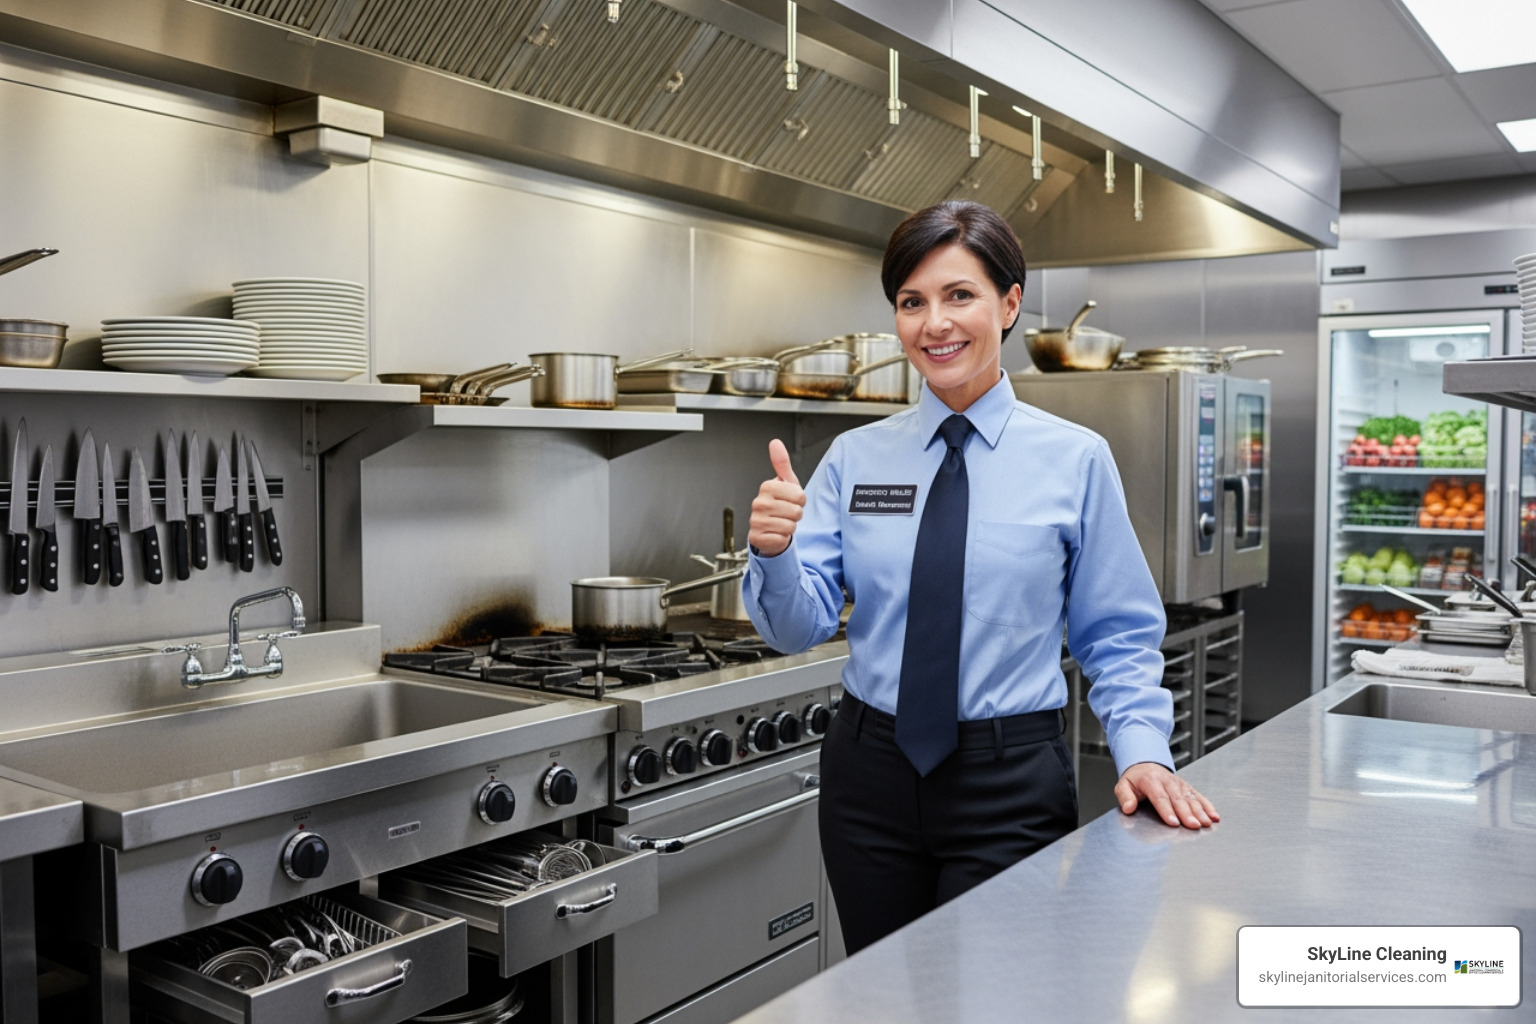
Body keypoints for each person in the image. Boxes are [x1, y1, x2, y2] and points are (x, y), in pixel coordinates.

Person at [743, 200, 1218, 955]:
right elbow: (796, 628)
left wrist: (1143, 752)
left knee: (994, 996)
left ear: (1009, 303)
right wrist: (773, 555)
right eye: (912, 302)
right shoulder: (854, 460)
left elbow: (1117, 635)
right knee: (886, 993)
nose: (935, 323)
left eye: (959, 295)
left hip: (1009, 783)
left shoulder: (1076, 459)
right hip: (869, 780)